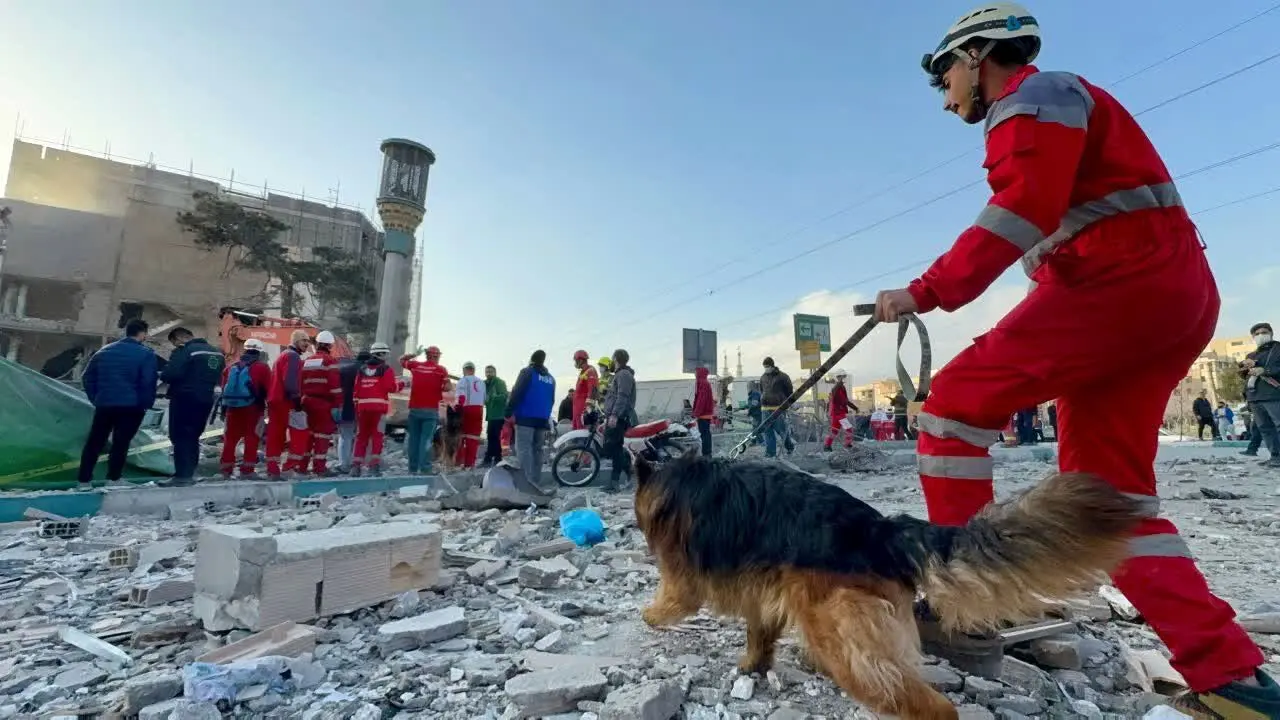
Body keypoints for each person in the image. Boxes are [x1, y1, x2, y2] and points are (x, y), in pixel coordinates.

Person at [872, 4, 1277, 712]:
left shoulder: (1032, 96)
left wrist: (923, 292)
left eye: (944, 79)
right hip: (1163, 289)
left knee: (951, 410)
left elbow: (1019, 210)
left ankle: (968, 604)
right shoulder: (1058, 102)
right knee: (1106, 499)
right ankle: (1232, 679)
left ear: (976, 56)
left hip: (1116, 279)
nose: (945, 99)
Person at [77, 319, 157, 487]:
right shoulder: (146, 354)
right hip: (131, 406)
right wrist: (145, 404)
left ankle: (84, 481)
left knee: (95, 442)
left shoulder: (103, 351)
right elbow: (148, 382)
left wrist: (96, 398)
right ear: (142, 333)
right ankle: (113, 479)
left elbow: (87, 377)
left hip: (105, 404)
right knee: (121, 443)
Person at [159, 327, 224, 485]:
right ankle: (191, 473)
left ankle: (182, 476)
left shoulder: (186, 351)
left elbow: (171, 374)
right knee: (194, 436)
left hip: (184, 398)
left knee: (180, 435)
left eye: (174, 343)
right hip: (206, 399)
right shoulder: (217, 353)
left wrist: (162, 373)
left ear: (179, 339)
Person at [218, 338, 271, 479]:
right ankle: (247, 471)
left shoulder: (230, 368)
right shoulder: (262, 368)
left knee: (230, 439)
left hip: (232, 409)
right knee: (251, 438)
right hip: (253, 409)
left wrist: (224, 410)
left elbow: (224, 389)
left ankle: (225, 470)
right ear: (259, 352)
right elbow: (268, 390)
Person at [506, 350, 556, 488]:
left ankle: (526, 483)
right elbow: (552, 400)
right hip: (542, 419)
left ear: (531, 360)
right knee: (537, 450)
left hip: (525, 418)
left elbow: (517, 392)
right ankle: (535, 481)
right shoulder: (551, 378)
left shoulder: (527, 372)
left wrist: (508, 411)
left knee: (524, 449)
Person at [264, 330, 310, 479]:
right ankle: (289, 468)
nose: (306, 344)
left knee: (275, 435)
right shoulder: (293, 356)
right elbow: (290, 381)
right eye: (304, 340)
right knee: (300, 434)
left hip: (275, 401)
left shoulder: (282, 356)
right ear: (295, 341)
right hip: (287, 402)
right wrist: (297, 401)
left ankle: (272, 469)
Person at [295, 330, 342, 476]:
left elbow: (300, 383)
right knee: (322, 437)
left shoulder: (307, 361)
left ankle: (302, 467)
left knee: (308, 436)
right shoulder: (330, 361)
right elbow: (335, 386)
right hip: (323, 404)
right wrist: (338, 404)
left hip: (307, 402)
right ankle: (319, 468)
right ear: (329, 346)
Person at [352, 343, 400, 476]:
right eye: (385, 354)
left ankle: (356, 467)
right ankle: (373, 467)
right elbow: (391, 388)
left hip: (362, 409)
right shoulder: (386, 369)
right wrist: (402, 384)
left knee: (361, 437)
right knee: (377, 437)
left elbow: (356, 391)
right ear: (380, 354)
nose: (387, 357)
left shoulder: (361, 369)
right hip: (378, 409)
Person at [400, 345, 449, 474]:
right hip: (431, 411)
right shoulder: (441, 370)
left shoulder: (416, 366)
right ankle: (425, 468)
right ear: (437, 356)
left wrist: (413, 354)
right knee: (426, 440)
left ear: (427, 355)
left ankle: (412, 468)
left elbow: (402, 361)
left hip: (415, 409)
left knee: (414, 440)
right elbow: (448, 387)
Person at [1242, 321, 1279, 468]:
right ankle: (1276, 456)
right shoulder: (1252, 355)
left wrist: (1266, 371)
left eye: (1263, 332)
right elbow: (1244, 376)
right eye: (1256, 334)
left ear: (1271, 333)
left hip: (1274, 394)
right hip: (1255, 396)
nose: (1260, 336)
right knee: (1265, 428)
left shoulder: (1278, 349)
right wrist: (1245, 367)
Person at [600, 348, 636, 491]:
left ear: (615, 359)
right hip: (615, 415)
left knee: (614, 448)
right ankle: (629, 474)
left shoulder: (624, 374)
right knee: (614, 448)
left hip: (619, 417)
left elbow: (622, 396)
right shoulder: (620, 374)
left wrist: (615, 415)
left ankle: (615, 482)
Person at [335, 350, 366, 474]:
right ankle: (358, 463)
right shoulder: (366, 371)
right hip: (362, 407)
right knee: (361, 436)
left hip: (345, 407)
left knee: (345, 437)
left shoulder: (344, 370)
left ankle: (343, 464)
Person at [757, 357, 795, 458]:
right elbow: (762, 390)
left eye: (767, 366)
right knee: (767, 430)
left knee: (781, 430)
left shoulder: (783, 377)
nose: (766, 368)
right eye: (764, 367)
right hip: (765, 408)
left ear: (772, 366)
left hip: (778, 408)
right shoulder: (763, 377)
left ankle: (789, 446)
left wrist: (786, 404)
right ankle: (770, 453)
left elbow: (789, 392)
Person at [453, 361, 486, 469]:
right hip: (479, 410)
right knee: (473, 438)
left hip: (466, 409)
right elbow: (485, 398)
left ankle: (458, 463)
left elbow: (461, 397)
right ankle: (470, 464)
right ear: (473, 370)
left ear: (464, 370)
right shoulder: (481, 382)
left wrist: (457, 410)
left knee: (460, 437)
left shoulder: (463, 380)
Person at [482, 365, 509, 466]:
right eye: (487, 372)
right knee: (490, 437)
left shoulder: (500, 382)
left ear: (495, 372)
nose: (488, 374)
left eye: (490, 372)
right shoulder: (484, 384)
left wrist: (494, 397)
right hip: (491, 416)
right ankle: (489, 458)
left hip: (499, 415)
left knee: (497, 438)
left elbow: (504, 396)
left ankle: (497, 459)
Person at [824, 370, 857, 450]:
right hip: (839, 413)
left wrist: (854, 407)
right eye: (842, 376)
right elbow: (844, 400)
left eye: (844, 376)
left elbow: (843, 400)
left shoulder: (839, 387)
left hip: (836, 413)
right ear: (838, 377)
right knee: (848, 429)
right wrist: (854, 408)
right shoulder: (838, 387)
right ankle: (847, 444)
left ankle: (827, 445)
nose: (843, 378)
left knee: (834, 431)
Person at [571, 350, 598, 430]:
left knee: (582, 434)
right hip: (577, 410)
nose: (575, 363)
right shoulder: (583, 372)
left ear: (580, 360)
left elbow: (592, 389)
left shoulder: (590, 371)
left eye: (576, 360)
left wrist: (588, 409)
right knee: (576, 432)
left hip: (583, 409)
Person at [692, 366, 715, 456]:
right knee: (705, 433)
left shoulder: (702, 383)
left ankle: (707, 454)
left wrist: (696, 412)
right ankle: (707, 453)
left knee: (705, 434)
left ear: (699, 373)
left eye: (696, 372)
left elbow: (701, 399)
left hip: (703, 414)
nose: (695, 374)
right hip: (705, 413)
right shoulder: (704, 382)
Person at [746, 381, 763, 445]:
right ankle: (754, 441)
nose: (747, 388)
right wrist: (742, 407)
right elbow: (751, 404)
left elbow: (754, 404)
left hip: (757, 414)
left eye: (748, 386)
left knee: (756, 429)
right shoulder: (753, 394)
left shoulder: (754, 393)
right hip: (756, 414)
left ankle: (761, 442)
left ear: (752, 387)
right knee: (754, 428)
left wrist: (749, 412)